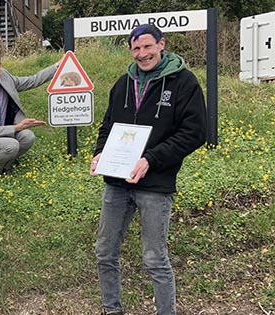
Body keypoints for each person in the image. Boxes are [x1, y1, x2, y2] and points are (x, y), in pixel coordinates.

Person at [90, 24, 207, 315]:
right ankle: (111, 309)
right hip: (117, 183)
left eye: (147, 47)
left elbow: (194, 132)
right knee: (105, 253)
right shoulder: (122, 84)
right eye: (136, 48)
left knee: (155, 259)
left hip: (155, 185)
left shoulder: (183, 83)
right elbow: (108, 127)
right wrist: (100, 153)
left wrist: (151, 159)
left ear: (161, 44)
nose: (142, 54)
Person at [0, 48, 59, 174]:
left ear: (0, 66)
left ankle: (6, 165)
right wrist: (17, 127)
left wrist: (57, 66)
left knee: (28, 137)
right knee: (11, 145)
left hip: (5, 133)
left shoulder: (5, 76)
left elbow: (32, 80)